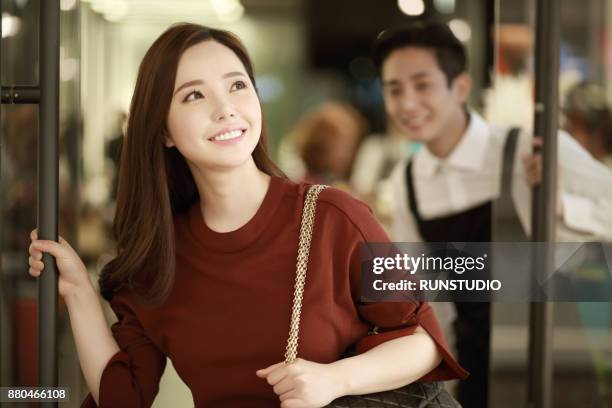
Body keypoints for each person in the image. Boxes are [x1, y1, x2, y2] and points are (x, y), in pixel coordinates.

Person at [28, 23, 467, 407]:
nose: (226, 108)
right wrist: (78, 293)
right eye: (194, 95)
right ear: (162, 131)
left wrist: (334, 380)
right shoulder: (155, 264)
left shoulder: (334, 218)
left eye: (237, 85)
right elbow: (124, 399)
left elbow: (423, 343)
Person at [372, 21, 612, 408]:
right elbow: (426, 291)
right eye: (394, 89)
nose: (407, 104)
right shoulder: (408, 179)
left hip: (552, 356)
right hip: (472, 367)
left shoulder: (528, 148)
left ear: (461, 87)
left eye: (423, 85)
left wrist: (563, 205)